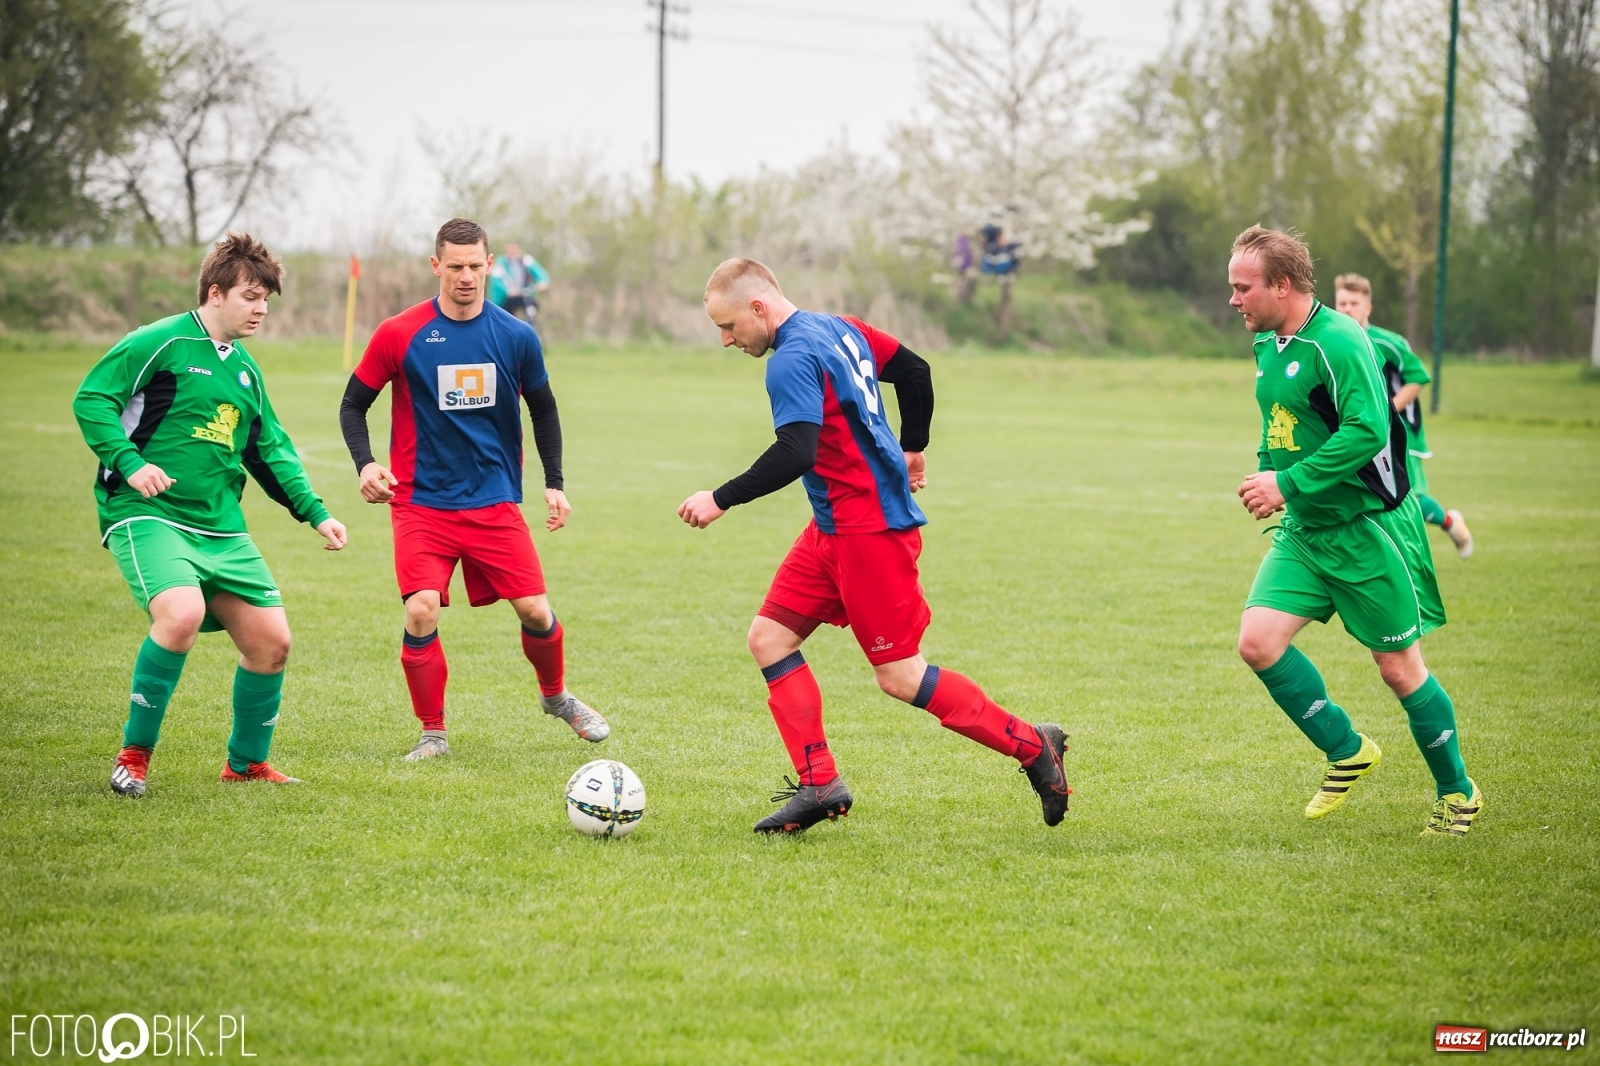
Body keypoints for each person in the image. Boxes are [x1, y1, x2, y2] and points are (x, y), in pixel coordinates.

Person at [678, 257, 1071, 834]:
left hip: (869, 535)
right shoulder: (843, 327)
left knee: (901, 676)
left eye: (729, 327)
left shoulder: (789, 358)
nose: (724, 340)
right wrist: (914, 446)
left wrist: (721, 497)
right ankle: (820, 784)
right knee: (768, 637)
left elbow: (797, 451)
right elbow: (914, 371)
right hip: (833, 526)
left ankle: (1034, 746)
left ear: (758, 307)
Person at [73, 233, 348, 797]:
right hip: (147, 513)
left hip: (220, 527)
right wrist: (130, 464)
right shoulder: (161, 341)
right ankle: (133, 757)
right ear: (215, 293)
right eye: (251, 296)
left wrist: (317, 514)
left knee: (272, 643)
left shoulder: (245, 372)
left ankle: (245, 764)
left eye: (266, 299)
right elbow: (93, 399)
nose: (261, 309)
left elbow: (268, 450)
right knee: (181, 615)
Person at [1230, 226, 1482, 837]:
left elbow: (1368, 431)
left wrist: (1287, 484)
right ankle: (1348, 751)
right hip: (1307, 531)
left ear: (1281, 285)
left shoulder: (1340, 342)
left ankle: (1458, 792)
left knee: (1399, 669)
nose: (1234, 300)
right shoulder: (1270, 342)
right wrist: (1271, 478)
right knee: (1257, 642)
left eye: (1243, 287)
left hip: (1367, 529)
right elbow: (1283, 424)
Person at [339, 217, 607, 761]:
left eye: (476, 266)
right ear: (436, 266)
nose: (466, 276)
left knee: (535, 610)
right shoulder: (398, 333)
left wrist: (554, 483)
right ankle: (432, 733)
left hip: (493, 499)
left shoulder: (515, 335)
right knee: (420, 611)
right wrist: (366, 465)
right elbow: (353, 404)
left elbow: (544, 408)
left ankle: (555, 698)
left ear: (491, 266)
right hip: (420, 502)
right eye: (455, 266)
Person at [1332, 273, 1473, 558]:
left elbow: (1417, 378)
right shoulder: (1334, 342)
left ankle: (1449, 522)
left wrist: (1387, 411)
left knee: (1409, 498)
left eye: (1353, 303)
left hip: (1400, 434)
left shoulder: (1389, 342)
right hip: (1358, 434)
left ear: (1368, 307)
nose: (1347, 309)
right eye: (1342, 303)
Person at [490, 241, 550, 326]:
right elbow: (496, 282)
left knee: (531, 309)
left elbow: (539, 272)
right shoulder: (500, 263)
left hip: (523, 293)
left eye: (514, 250)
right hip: (506, 298)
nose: (512, 253)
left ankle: (531, 329)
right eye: (510, 251)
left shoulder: (526, 260)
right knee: (506, 318)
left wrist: (543, 282)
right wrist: (507, 291)